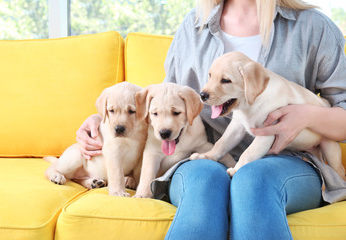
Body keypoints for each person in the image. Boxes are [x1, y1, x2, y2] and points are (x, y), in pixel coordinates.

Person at [76, 0, 346, 239]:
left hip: (289, 160)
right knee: (204, 185)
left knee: (253, 182)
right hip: (202, 153)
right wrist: (102, 119)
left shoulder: (313, 26)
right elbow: (161, 100)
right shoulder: (193, 26)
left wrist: (307, 115)